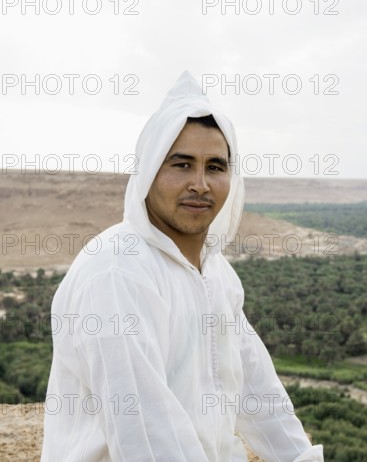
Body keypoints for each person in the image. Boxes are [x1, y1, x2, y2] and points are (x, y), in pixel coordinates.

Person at [41, 71, 324, 461]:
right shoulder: (117, 272)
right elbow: (145, 434)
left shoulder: (215, 272)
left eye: (215, 167)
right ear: (149, 171)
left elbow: (258, 392)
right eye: (182, 164)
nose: (201, 184)